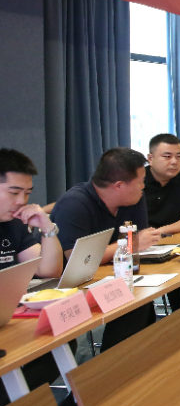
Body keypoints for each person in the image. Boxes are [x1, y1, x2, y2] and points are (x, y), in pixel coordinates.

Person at [52, 147, 157, 350]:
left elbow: (139, 240)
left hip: (112, 275)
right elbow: (78, 261)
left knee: (141, 301)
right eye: (140, 181)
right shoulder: (74, 204)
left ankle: (132, 361)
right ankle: (114, 363)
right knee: (133, 303)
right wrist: (130, 244)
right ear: (119, 186)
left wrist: (131, 244)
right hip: (68, 286)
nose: (143, 186)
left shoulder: (132, 198)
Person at [0, 148, 63, 277]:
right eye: (14, 193)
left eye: (27, 193)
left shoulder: (15, 223)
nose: (22, 201)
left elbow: (49, 271)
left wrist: (47, 228)